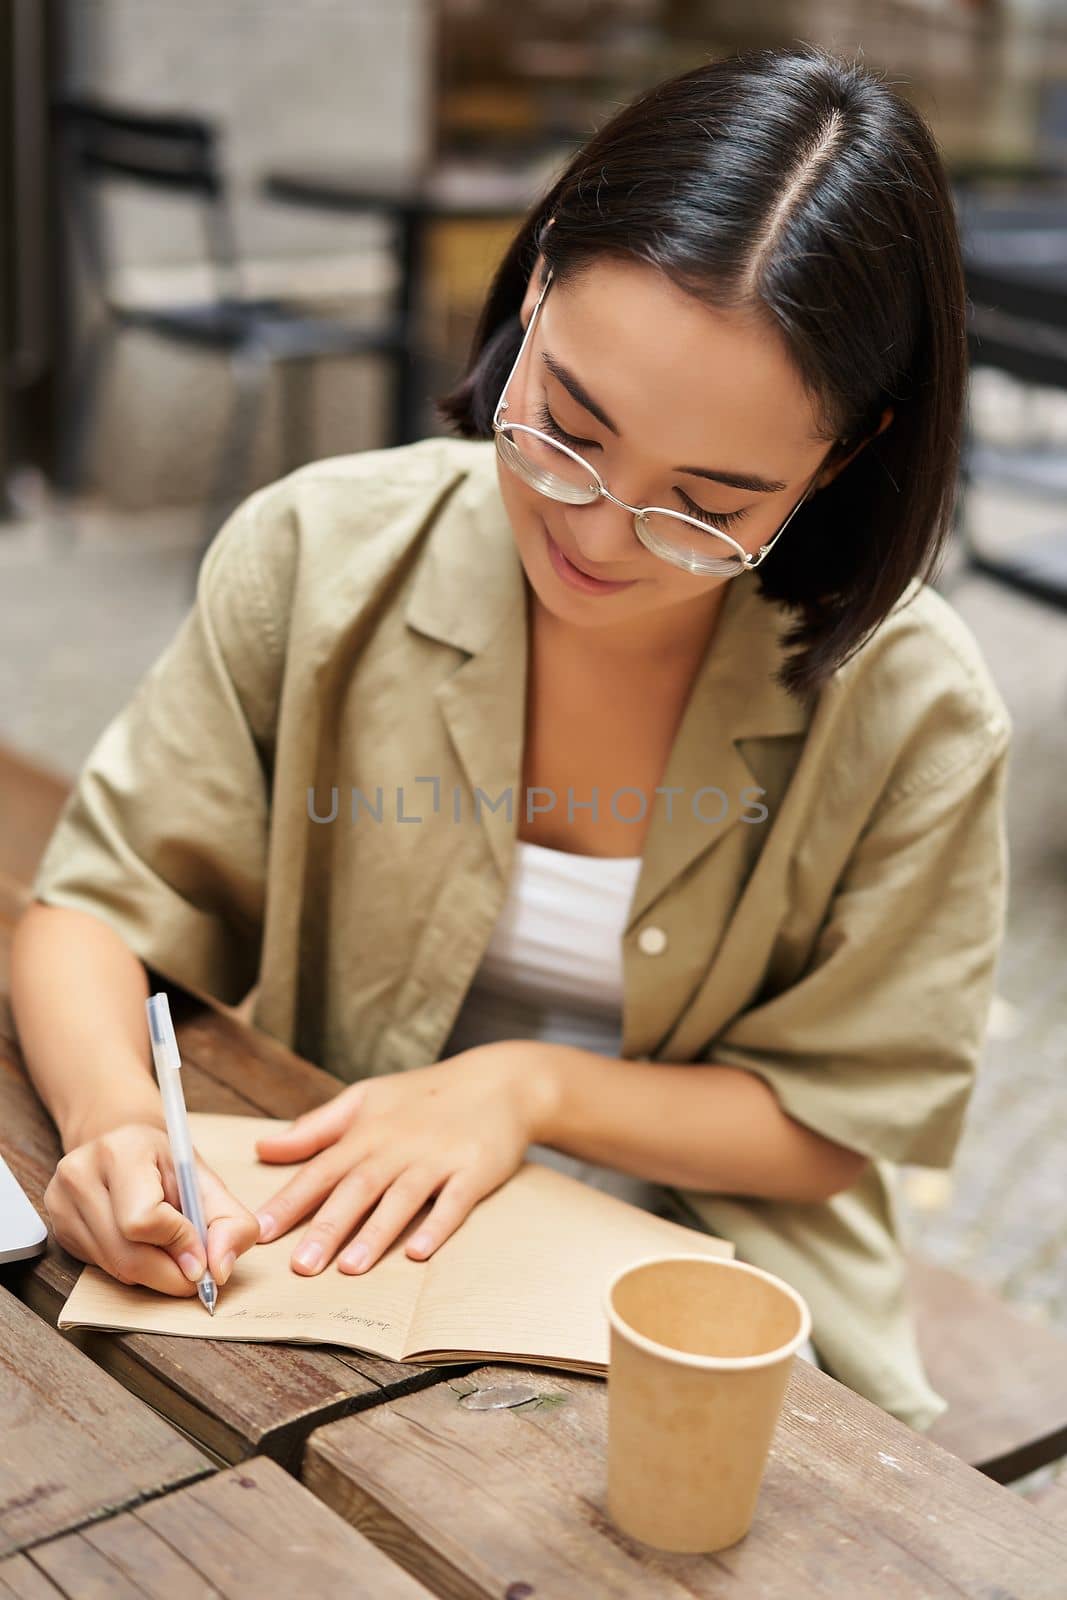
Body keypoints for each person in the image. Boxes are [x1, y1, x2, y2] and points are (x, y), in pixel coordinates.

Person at [11, 44, 1011, 1432]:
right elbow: (88, 911)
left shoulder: (917, 710)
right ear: (534, 286)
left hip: (711, 1300)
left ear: (845, 456)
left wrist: (523, 1090)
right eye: (569, 428)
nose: (600, 535)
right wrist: (116, 1126)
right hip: (320, 1269)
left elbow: (838, 1123)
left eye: (708, 504)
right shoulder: (319, 557)